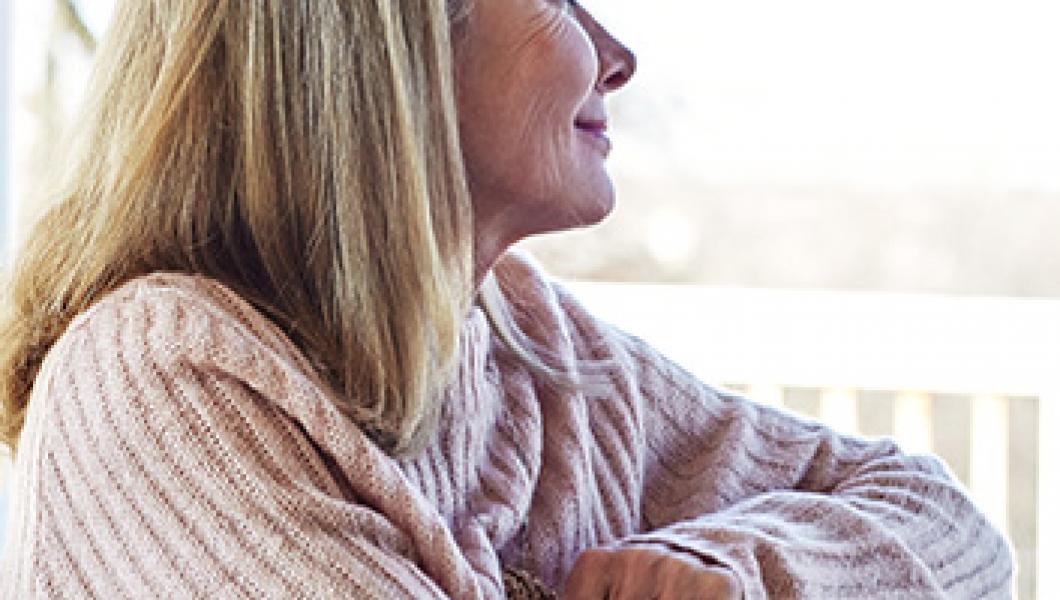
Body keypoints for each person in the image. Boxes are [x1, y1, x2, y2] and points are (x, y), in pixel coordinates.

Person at [0, 0, 1014, 598]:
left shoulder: (532, 347)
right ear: (383, 47)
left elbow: (954, 533)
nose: (615, 52)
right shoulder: (156, 380)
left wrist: (747, 568)